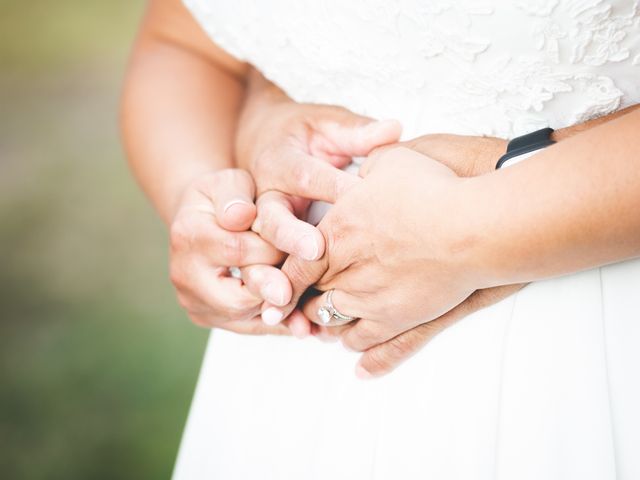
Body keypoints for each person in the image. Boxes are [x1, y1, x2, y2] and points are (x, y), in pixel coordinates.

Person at [121, 0, 640, 478]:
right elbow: (181, 44)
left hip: (593, 347)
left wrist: (476, 223)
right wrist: (209, 187)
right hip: (295, 382)